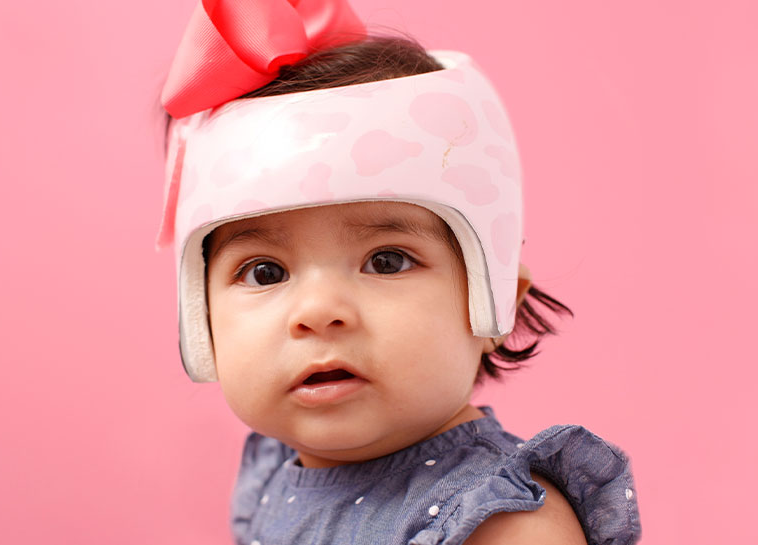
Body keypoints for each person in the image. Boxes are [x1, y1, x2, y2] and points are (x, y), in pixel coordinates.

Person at [155, 1, 641, 543]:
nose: (318, 312)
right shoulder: (270, 477)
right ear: (202, 325)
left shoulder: (501, 523)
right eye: (265, 272)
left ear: (493, 298)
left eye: (386, 261)